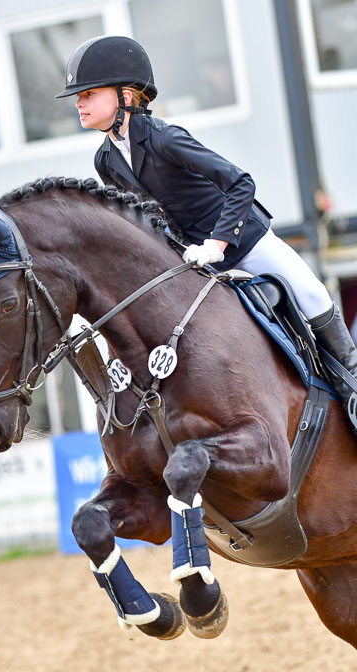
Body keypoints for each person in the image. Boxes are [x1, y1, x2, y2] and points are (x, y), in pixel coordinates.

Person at [56, 34, 357, 436]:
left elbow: (241, 184)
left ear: (125, 96)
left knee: (312, 294)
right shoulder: (105, 159)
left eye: (89, 93)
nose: (79, 103)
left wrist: (217, 243)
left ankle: (350, 386)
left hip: (240, 241)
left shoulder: (165, 138)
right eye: (79, 96)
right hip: (191, 260)